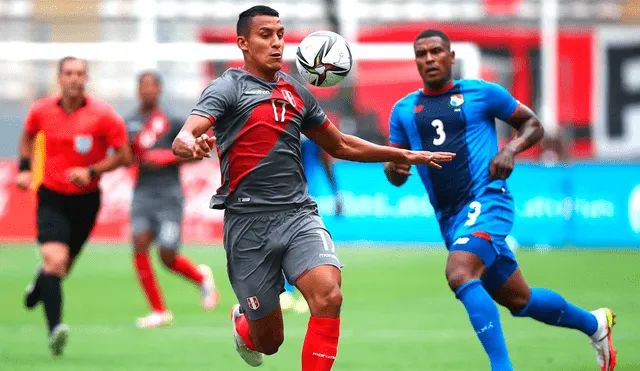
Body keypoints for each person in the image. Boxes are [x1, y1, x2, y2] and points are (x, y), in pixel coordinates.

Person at [172, 6, 454, 370]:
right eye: (265, 35)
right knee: (269, 342)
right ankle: (243, 323)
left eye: (279, 34)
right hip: (247, 224)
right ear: (243, 43)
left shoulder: (297, 93)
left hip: (297, 215)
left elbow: (341, 145)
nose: (276, 43)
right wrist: (189, 144)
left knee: (328, 294)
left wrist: (406, 154)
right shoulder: (228, 87)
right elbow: (186, 134)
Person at [384, 29, 617, 371]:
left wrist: (509, 150)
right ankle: (594, 324)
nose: (429, 59)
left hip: (488, 199)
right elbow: (394, 170)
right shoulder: (404, 111)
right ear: (415, 61)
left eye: (436, 52)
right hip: (451, 219)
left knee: (460, 272)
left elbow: (532, 125)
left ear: (451, 57)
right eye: (422, 54)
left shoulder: (482, 94)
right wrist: (395, 168)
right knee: (520, 299)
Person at [16, 56, 132, 356]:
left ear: (86, 78)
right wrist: (26, 167)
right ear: (59, 77)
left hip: (86, 200)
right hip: (51, 196)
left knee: (60, 267)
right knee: (55, 260)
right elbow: (28, 135)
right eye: (68, 73)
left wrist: (91, 171)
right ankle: (55, 330)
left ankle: (38, 287)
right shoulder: (41, 110)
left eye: (80, 73)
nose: (74, 78)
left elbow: (125, 155)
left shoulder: (103, 114)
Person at [125, 71, 219, 328]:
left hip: (169, 195)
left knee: (167, 253)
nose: (147, 90)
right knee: (140, 244)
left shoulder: (174, 120)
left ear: (159, 89)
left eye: (151, 85)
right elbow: (126, 156)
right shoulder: (130, 122)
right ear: (137, 90)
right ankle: (158, 310)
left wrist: (165, 157)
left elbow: (196, 154)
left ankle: (201, 278)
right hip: (142, 193)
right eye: (142, 85)